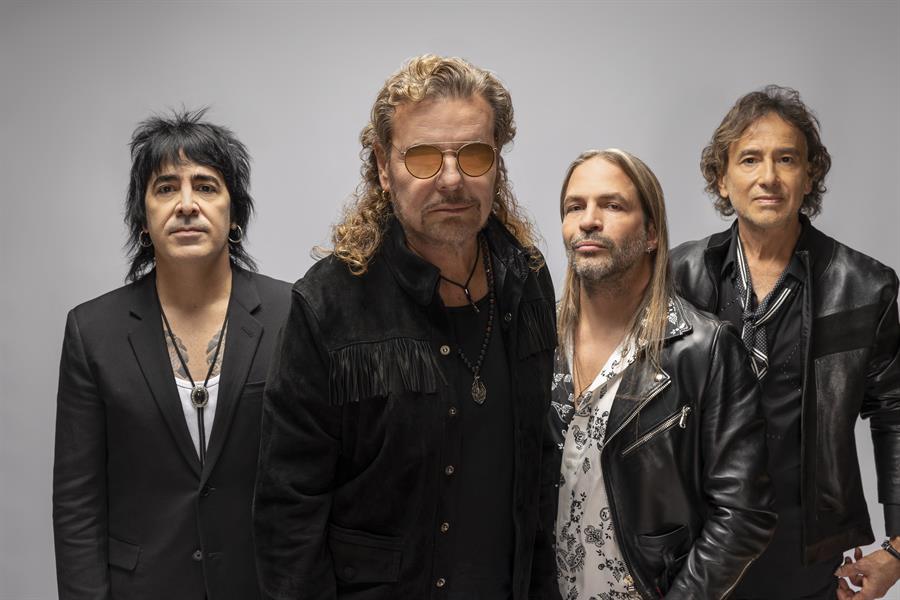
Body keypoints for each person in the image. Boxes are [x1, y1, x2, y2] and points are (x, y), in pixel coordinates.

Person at [253, 55, 559, 600]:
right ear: (382, 165)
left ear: (497, 163)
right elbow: (288, 512)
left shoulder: (526, 278)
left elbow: (538, 473)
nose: (452, 179)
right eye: (422, 157)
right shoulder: (329, 304)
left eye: (474, 155)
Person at [671, 85, 900, 600]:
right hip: (694, 557)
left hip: (807, 562)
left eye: (787, 159)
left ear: (809, 175)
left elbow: (896, 413)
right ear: (722, 178)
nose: (769, 177)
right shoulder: (676, 275)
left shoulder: (865, 286)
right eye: (750, 159)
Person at [52, 109, 291, 600]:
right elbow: (78, 502)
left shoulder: (291, 314)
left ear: (235, 213)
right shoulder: (92, 331)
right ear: (143, 218)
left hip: (264, 585)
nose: (186, 205)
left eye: (206, 186)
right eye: (165, 188)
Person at [551, 148, 775, 599]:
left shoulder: (706, 350)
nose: (589, 220)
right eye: (575, 207)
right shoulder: (539, 340)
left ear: (651, 233)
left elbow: (744, 514)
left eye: (612, 205)